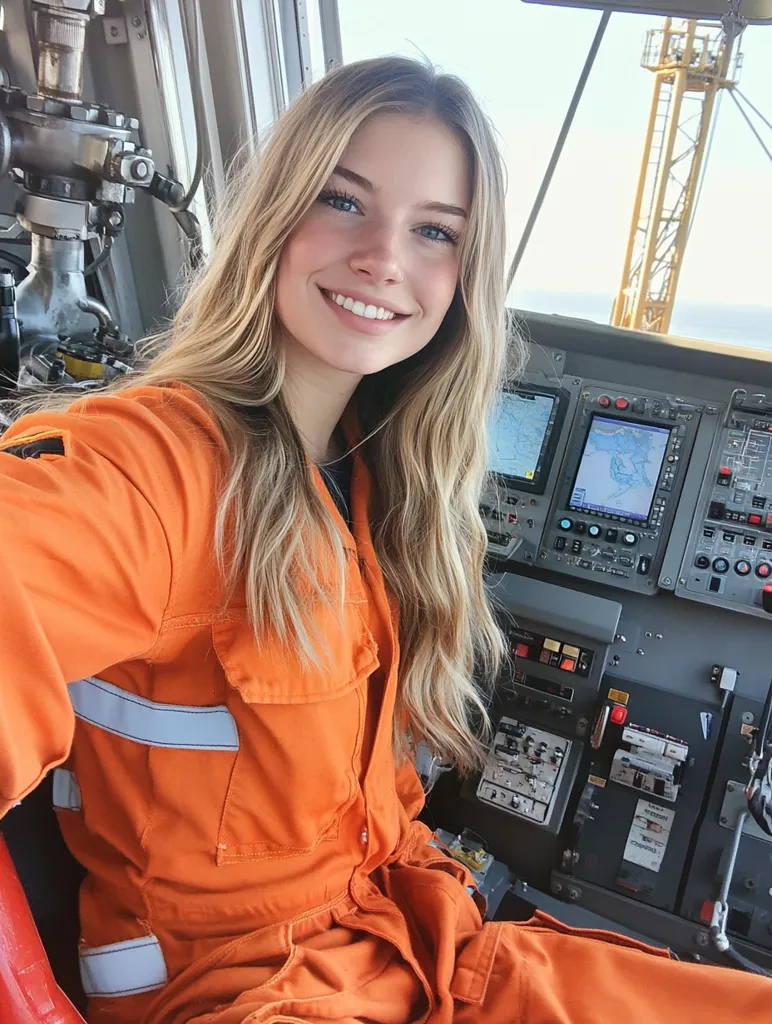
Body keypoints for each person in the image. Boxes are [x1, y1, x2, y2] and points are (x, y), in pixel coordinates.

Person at [0, 55, 769, 1024]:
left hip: (406, 938)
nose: (384, 259)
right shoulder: (155, 468)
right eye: (343, 201)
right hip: (244, 994)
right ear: (274, 213)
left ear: (464, 276)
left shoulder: (374, 488)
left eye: (434, 230)